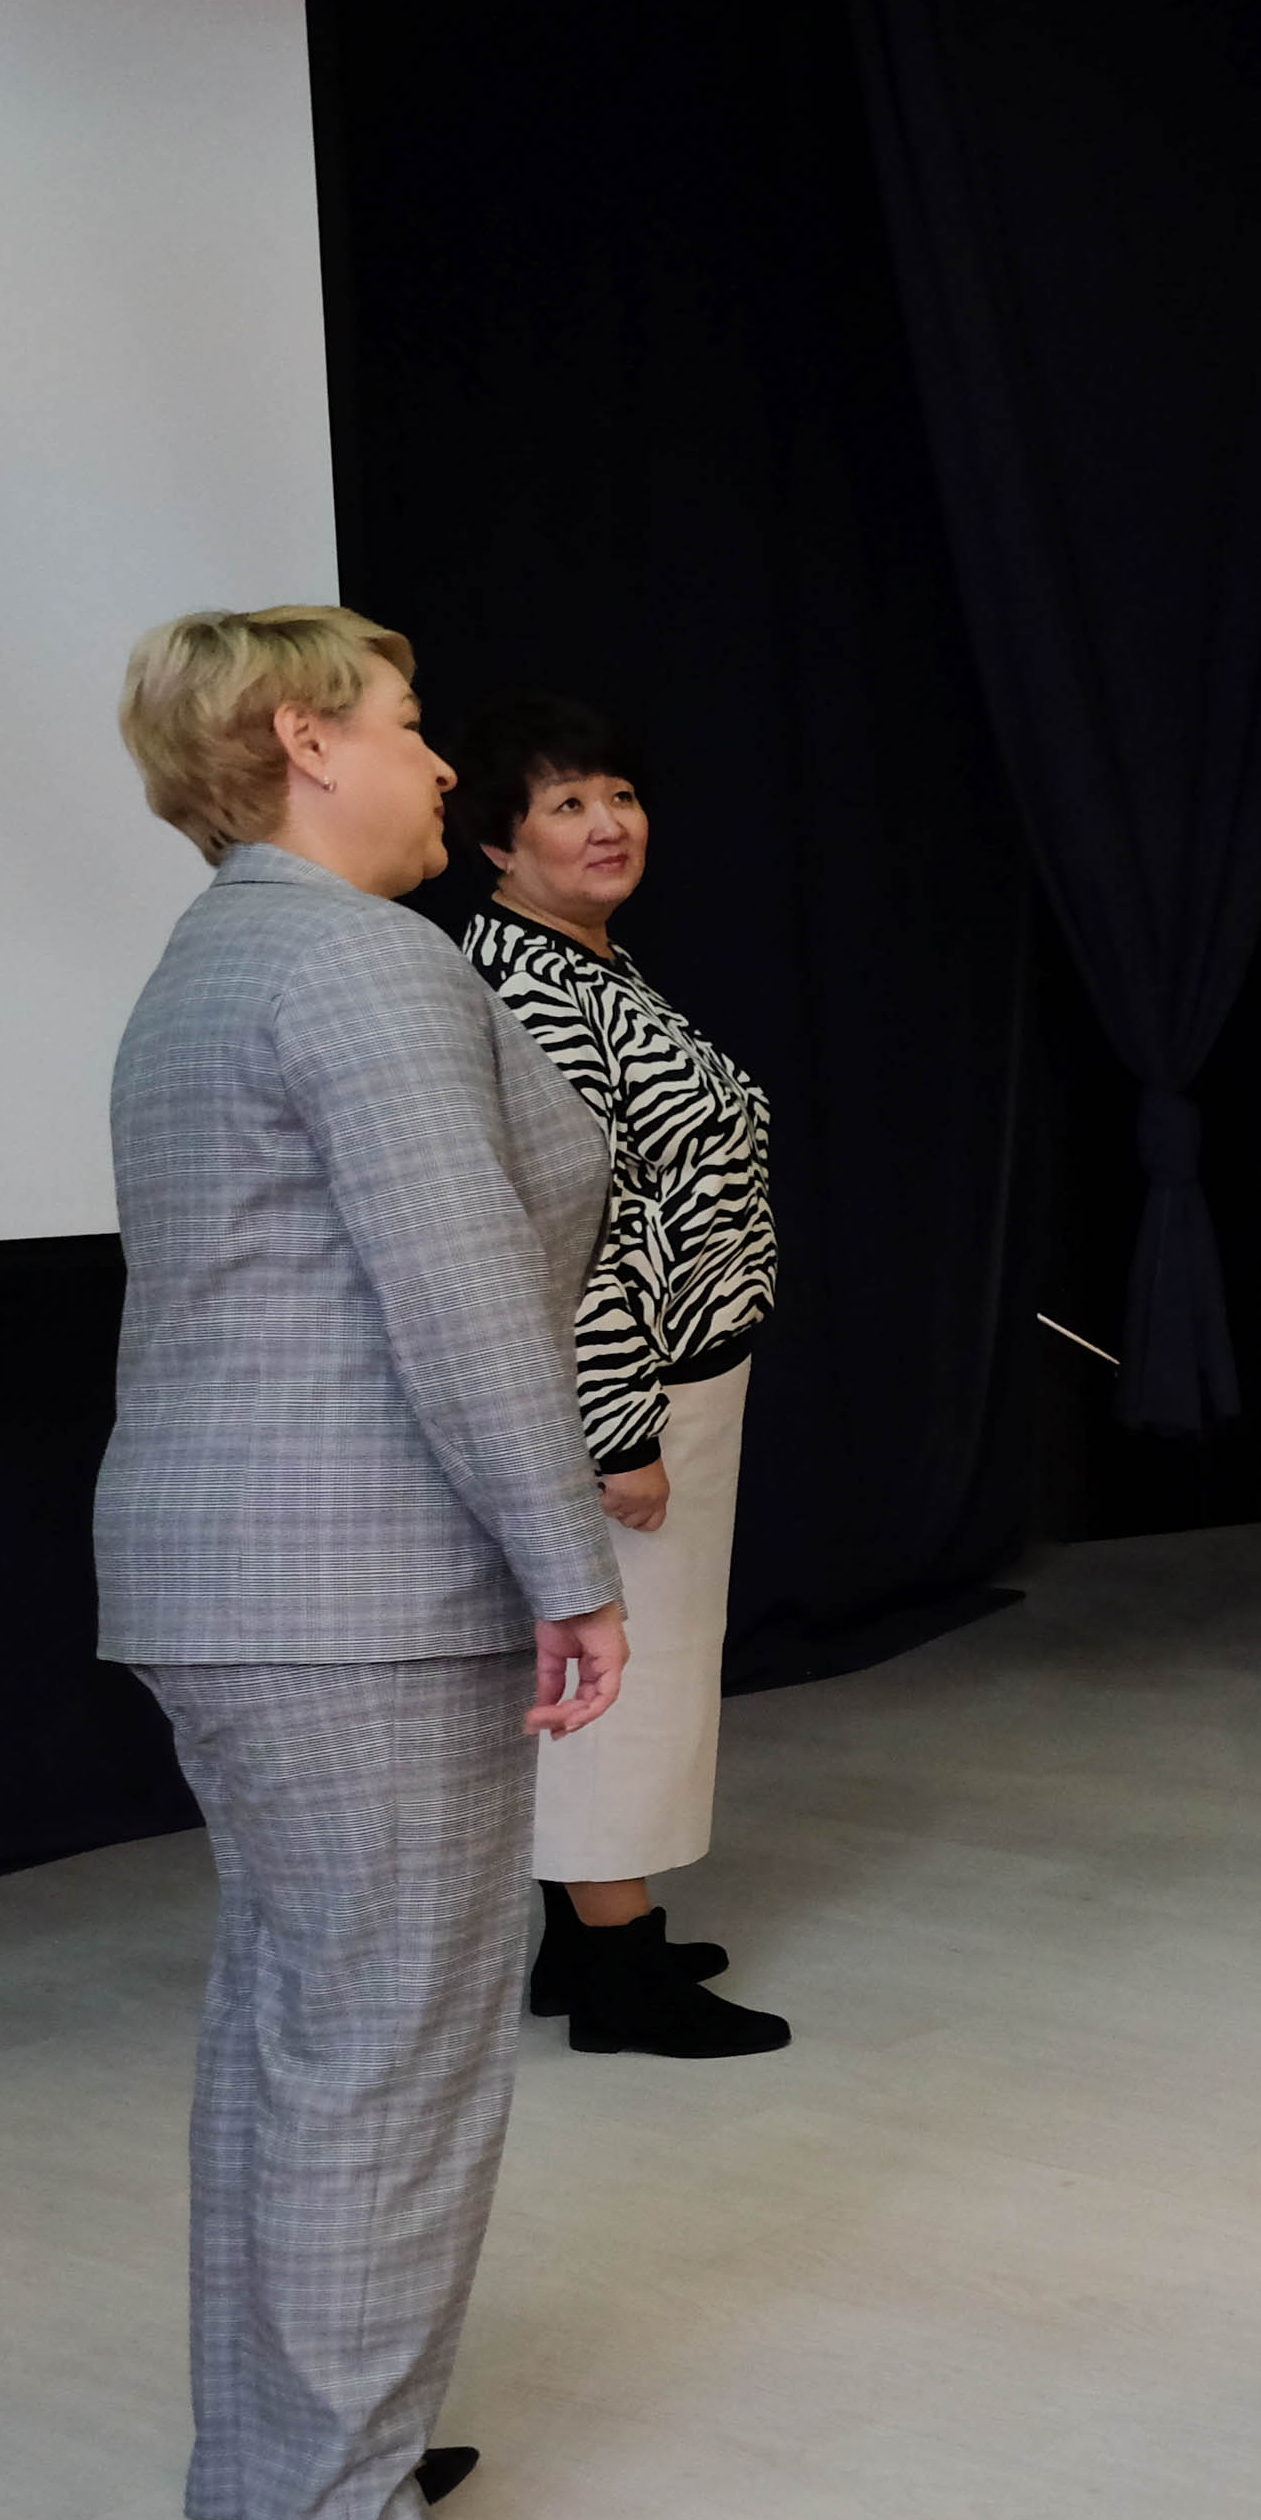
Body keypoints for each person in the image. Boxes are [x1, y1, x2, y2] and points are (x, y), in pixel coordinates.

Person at [99, 606, 625, 2520]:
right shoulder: (360, 961)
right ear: (306, 740)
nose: (442, 765)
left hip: (235, 1579)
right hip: (356, 1587)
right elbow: (463, 1293)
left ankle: (270, 2466)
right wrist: (568, 1561)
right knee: (388, 2053)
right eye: (410, 727)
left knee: (294, 2030)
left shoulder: (216, 954)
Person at [453, 697, 788, 2057]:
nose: (608, 825)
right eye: (567, 805)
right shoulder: (527, 981)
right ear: (499, 843)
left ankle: (577, 1941)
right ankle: (619, 1973)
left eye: (622, 797)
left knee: (636, 1665)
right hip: (633, 1394)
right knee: (619, 1682)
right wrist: (617, 1426)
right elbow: (574, 1225)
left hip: (680, 1371)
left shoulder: (592, 960)